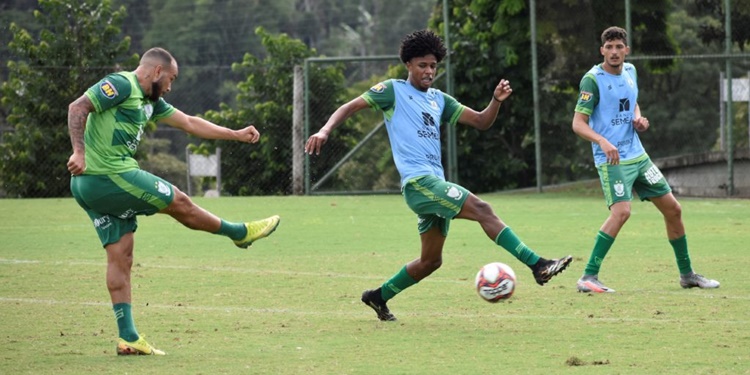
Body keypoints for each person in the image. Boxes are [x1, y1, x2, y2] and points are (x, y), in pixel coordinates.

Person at [305, 30, 572, 321]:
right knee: (483, 209)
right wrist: (325, 130)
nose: (429, 71)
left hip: (435, 185)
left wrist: (495, 101)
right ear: (408, 64)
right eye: (422, 65)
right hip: (419, 184)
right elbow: (350, 106)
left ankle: (378, 297)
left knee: (431, 261)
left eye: (433, 66)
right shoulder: (392, 91)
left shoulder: (439, 99)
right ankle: (538, 265)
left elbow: (481, 121)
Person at [67, 47, 281, 355]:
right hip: (107, 176)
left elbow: (191, 123)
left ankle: (128, 337)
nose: (171, 86)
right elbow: (78, 107)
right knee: (178, 200)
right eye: (171, 78)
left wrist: (235, 134)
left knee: (121, 256)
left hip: (89, 187)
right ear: (156, 72)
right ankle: (238, 233)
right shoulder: (123, 85)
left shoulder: (151, 102)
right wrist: (79, 152)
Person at [571, 26, 720, 293]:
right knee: (622, 212)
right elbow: (578, 124)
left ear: (626, 50)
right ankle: (588, 276)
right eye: (609, 47)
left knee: (673, 209)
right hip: (613, 161)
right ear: (602, 50)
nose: (614, 52)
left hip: (638, 155)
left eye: (619, 47)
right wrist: (602, 141)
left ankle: (687, 275)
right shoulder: (592, 80)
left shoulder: (630, 71)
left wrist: (638, 119)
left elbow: (632, 102)